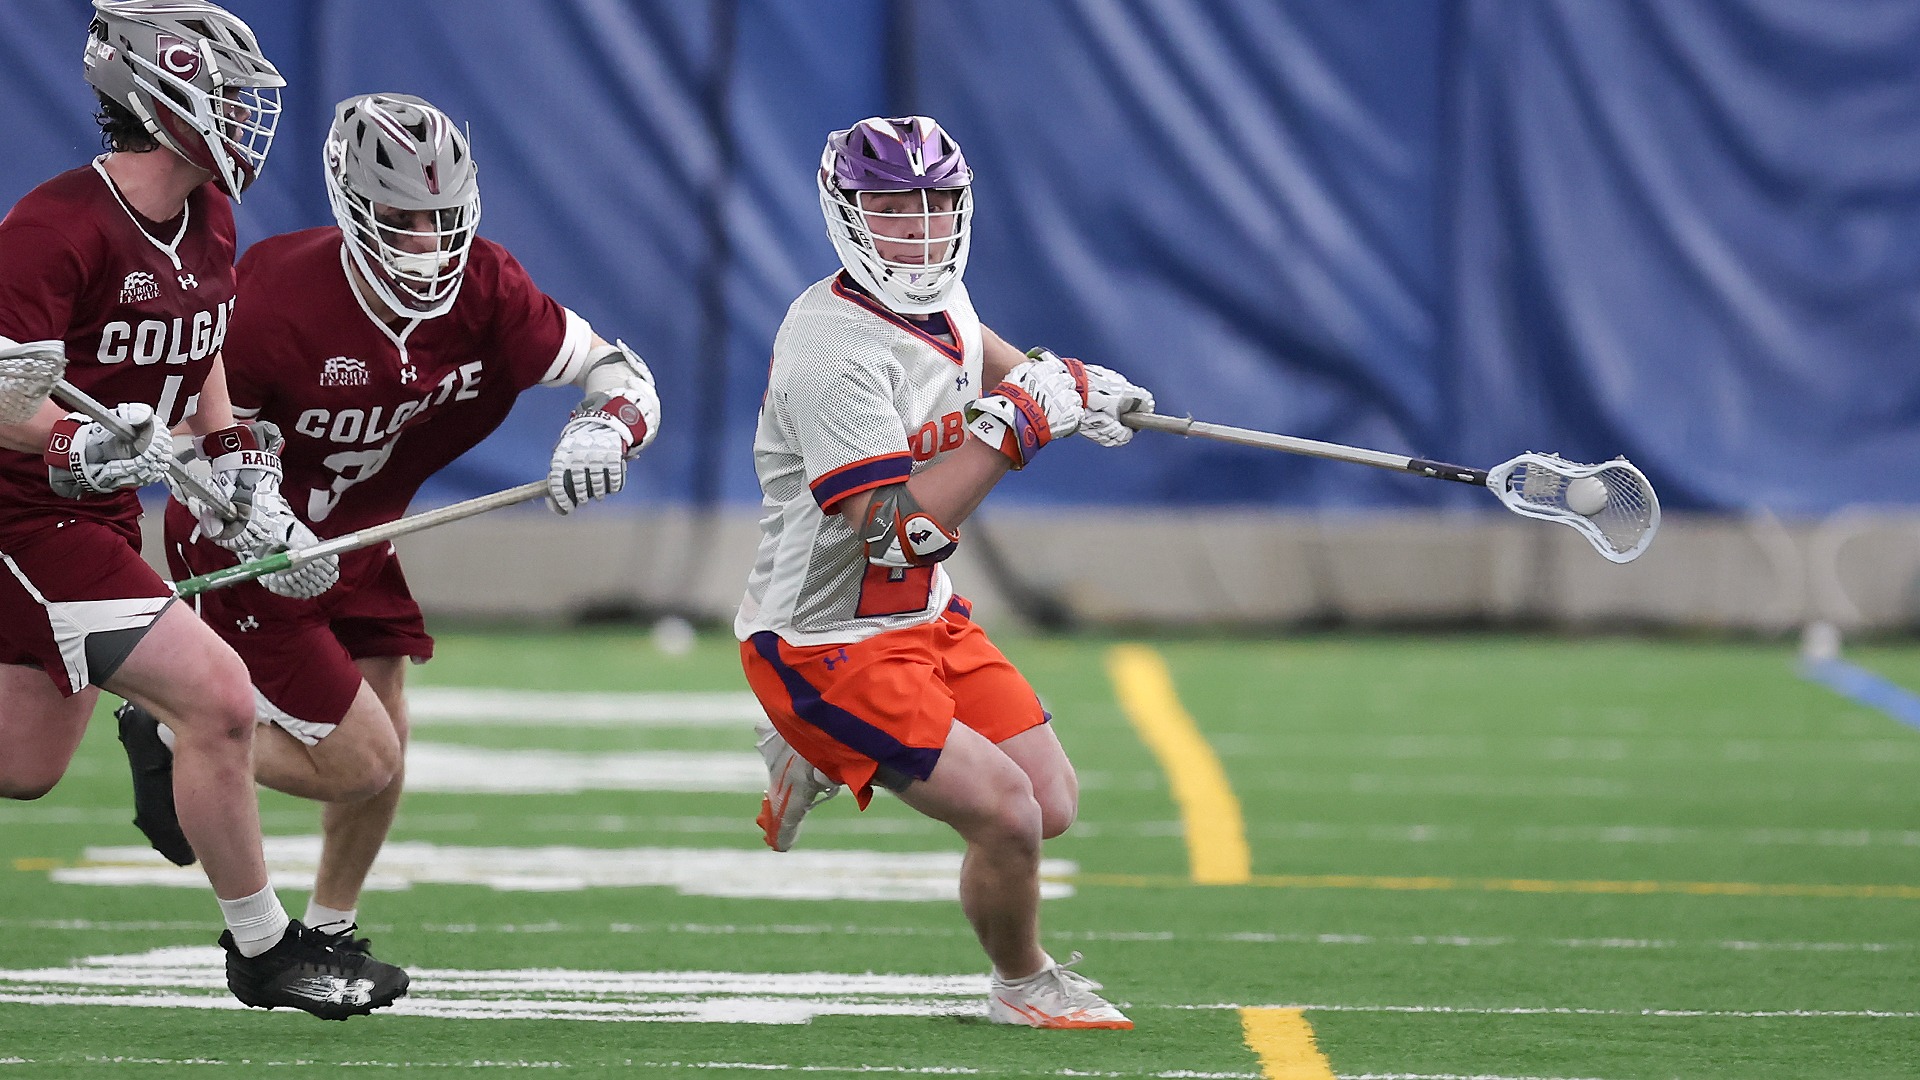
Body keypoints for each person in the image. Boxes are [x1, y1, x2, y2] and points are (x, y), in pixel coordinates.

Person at [114, 91, 663, 968]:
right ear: (352, 207)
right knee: (363, 760)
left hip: (363, 540)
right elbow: (190, 440)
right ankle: (178, 730)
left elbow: (617, 368)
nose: (426, 244)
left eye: (442, 219)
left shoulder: (486, 286)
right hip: (245, 538)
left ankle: (331, 926)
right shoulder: (277, 294)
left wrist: (605, 427)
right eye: (401, 221)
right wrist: (262, 522)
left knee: (389, 738)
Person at [0, 0, 408, 1020]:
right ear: (158, 93)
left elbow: (203, 339)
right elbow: (3, 394)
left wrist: (234, 468)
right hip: (22, 516)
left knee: (25, 768)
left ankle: (266, 948)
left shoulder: (208, 216)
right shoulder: (54, 226)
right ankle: (266, 950)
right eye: (226, 94)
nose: (243, 115)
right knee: (219, 698)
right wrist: (72, 438)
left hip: (93, 517)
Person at [737, 116, 1152, 1030]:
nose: (918, 230)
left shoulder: (941, 298)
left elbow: (987, 356)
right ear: (846, 214)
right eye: (890, 208)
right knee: (1004, 813)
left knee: (1050, 804)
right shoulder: (830, 347)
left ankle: (814, 754)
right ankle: (1023, 985)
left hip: (921, 617)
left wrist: (1076, 383)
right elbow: (895, 534)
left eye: (935, 205)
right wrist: (1012, 429)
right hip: (824, 640)